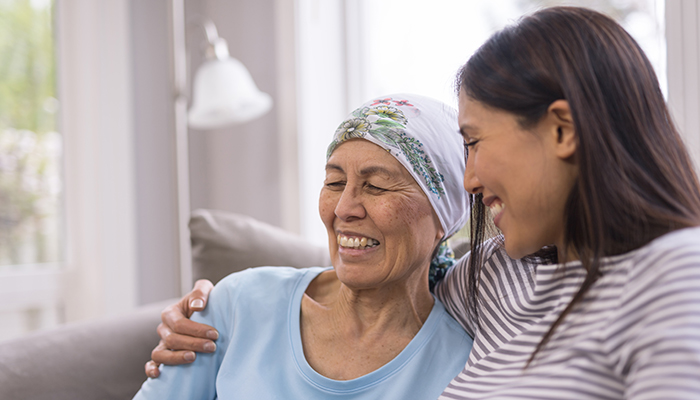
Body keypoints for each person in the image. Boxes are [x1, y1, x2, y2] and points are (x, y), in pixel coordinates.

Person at [147, 6, 700, 399]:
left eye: (477, 142)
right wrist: (205, 309)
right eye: (335, 180)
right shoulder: (497, 276)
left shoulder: (676, 274)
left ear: (561, 130)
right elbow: (385, 284)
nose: (470, 178)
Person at [133, 93, 474, 399]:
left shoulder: (463, 364)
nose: (343, 208)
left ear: (443, 215)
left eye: (376, 186)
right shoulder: (238, 303)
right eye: (335, 183)